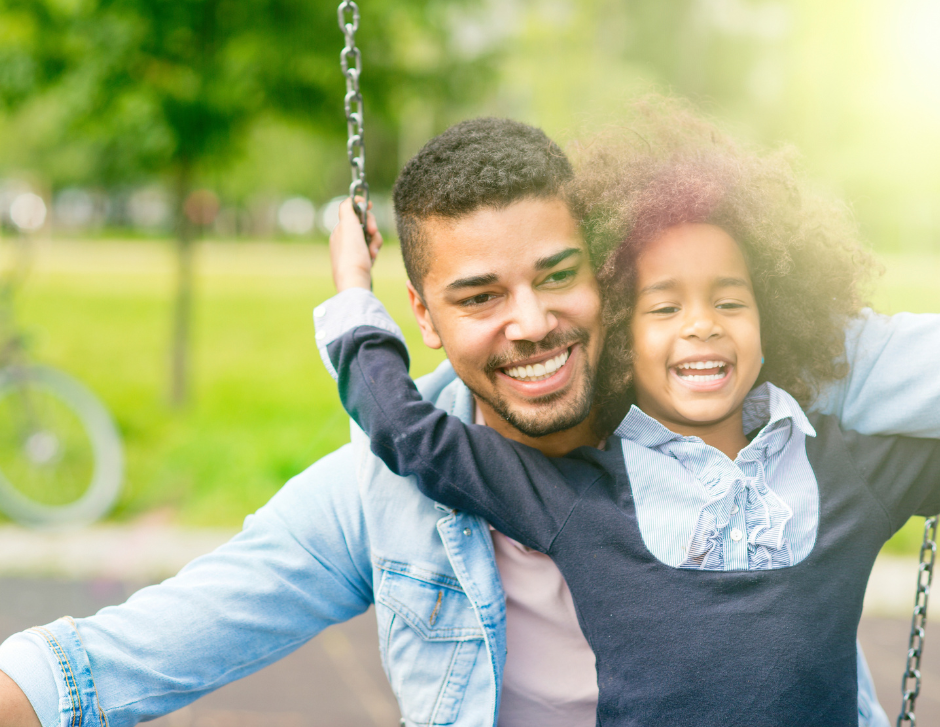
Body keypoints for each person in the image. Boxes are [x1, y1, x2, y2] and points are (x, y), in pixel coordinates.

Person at [1, 116, 937, 727]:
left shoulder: (743, 382)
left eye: (558, 275)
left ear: (604, 270)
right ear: (424, 316)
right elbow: (104, 664)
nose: (530, 323)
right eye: (481, 295)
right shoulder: (383, 494)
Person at [318, 106, 940, 724]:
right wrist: (353, 288)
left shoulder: (845, 470)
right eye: (664, 309)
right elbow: (406, 431)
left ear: (770, 318)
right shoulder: (575, 495)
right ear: (618, 331)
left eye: (729, 301)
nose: (701, 324)